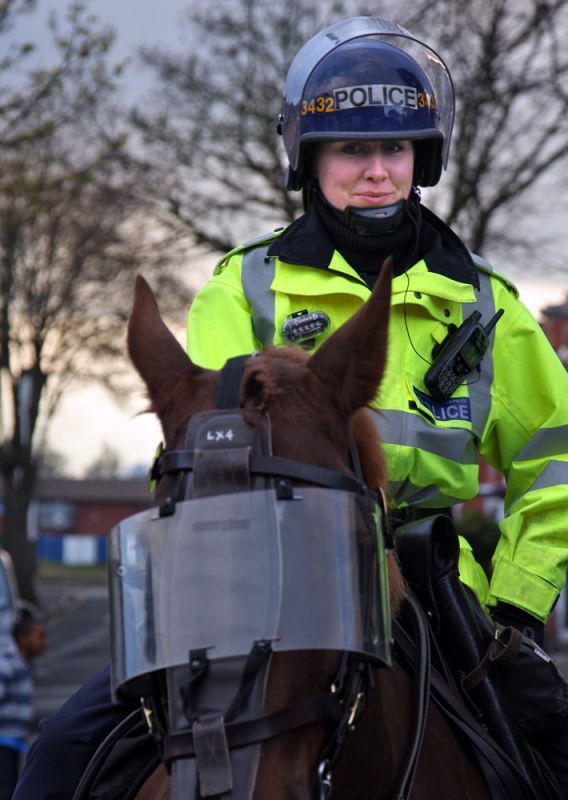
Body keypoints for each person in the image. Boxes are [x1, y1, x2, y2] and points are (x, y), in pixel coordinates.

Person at [13, 16, 568, 799]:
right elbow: (196, 441)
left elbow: (557, 461)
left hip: (432, 589)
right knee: (58, 757)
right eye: (352, 149)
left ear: (422, 158)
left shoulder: (487, 306)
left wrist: (516, 597)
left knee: (552, 742)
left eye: (396, 149)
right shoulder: (243, 287)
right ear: (309, 160)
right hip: (250, 582)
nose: (377, 170)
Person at [0, 608, 47, 799]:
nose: (45, 643)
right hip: (3, 742)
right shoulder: (7, 665)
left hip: (14, 742)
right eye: (40, 637)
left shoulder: (23, 664)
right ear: (24, 639)